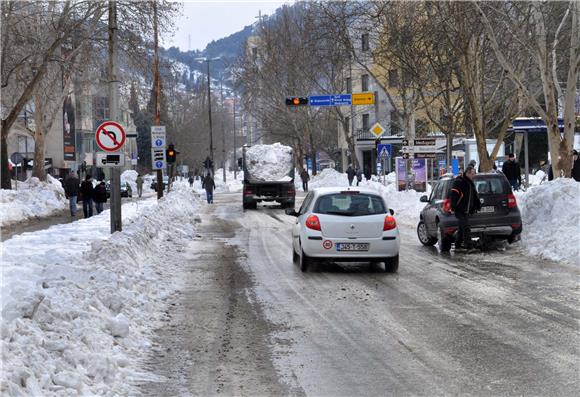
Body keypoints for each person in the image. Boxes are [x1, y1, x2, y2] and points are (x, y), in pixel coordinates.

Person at [450, 166, 481, 250]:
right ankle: (469, 246)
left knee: (461, 228)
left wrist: (478, 205)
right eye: (471, 174)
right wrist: (452, 207)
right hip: (460, 209)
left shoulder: (470, 182)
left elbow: (474, 195)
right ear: (467, 173)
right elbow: (453, 195)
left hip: (466, 210)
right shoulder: (459, 181)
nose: (473, 175)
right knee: (466, 228)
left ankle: (457, 244)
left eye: (474, 173)